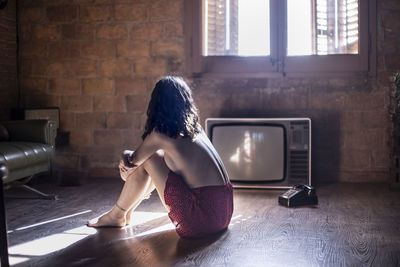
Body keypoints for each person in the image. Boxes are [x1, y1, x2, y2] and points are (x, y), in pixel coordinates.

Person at [88, 76, 233, 238]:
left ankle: (116, 215)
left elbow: (132, 165)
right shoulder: (196, 130)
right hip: (224, 214)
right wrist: (128, 157)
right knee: (152, 157)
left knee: (149, 159)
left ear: (156, 105)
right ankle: (124, 213)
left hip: (200, 221)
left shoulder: (160, 135)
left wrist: (124, 156)